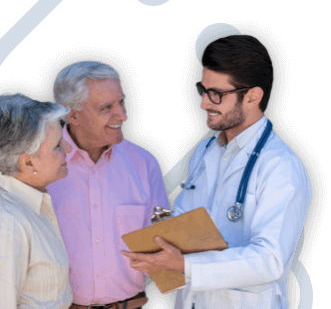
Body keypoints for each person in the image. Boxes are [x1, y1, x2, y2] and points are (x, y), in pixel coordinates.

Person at [0, 61, 171, 309]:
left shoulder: (145, 164)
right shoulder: (40, 167)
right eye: (106, 107)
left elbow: (163, 234)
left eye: (122, 102)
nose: (122, 115)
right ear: (71, 113)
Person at [121, 34, 312, 309]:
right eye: (203, 90)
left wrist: (185, 264)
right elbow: (186, 225)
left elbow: (270, 261)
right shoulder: (205, 151)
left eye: (217, 95)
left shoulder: (280, 167)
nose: (204, 104)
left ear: (253, 97)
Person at [0, 93, 74, 308]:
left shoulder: (25, 204)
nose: (68, 149)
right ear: (28, 163)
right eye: (58, 145)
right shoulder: (7, 223)